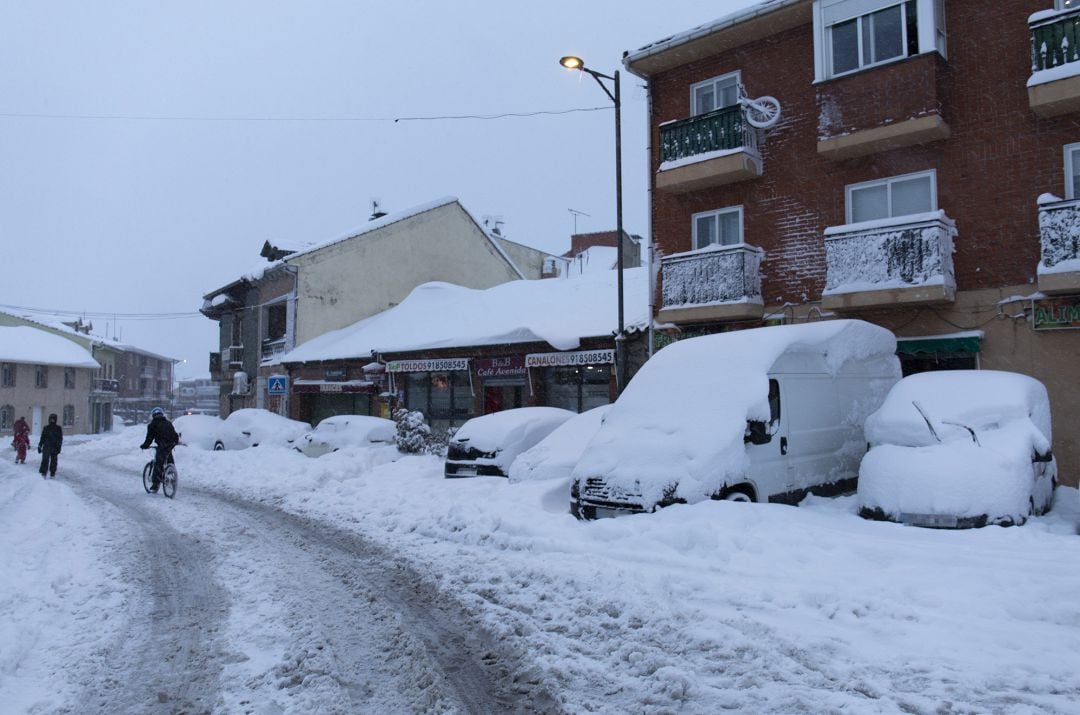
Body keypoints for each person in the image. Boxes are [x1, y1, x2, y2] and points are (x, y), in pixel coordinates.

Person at [140, 407, 178, 493]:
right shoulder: (168, 423)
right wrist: (174, 443)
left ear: (153, 415)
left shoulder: (152, 425)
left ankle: (155, 484)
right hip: (170, 445)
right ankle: (171, 474)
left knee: (158, 464)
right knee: (169, 460)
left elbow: (149, 438)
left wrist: (145, 446)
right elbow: (175, 436)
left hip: (162, 445)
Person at [38, 413, 62, 478]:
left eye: (53, 419)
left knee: (54, 461)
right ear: (49, 419)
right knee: (45, 459)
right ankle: (43, 473)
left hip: (55, 446)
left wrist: (59, 447)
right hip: (46, 446)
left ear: (55, 420)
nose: (52, 420)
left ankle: (52, 473)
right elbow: (42, 438)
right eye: (51, 419)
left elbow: (60, 439)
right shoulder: (46, 428)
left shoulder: (58, 428)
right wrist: (40, 445)